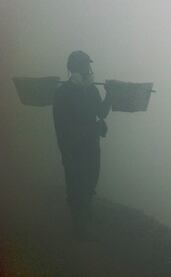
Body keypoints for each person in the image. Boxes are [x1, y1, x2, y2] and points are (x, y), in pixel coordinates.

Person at [53, 50, 112, 240]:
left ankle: (84, 210)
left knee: (91, 177)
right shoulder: (63, 93)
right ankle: (78, 222)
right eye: (86, 65)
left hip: (90, 146)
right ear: (77, 69)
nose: (88, 69)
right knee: (75, 183)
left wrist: (109, 95)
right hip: (73, 148)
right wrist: (92, 129)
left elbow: (101, 112)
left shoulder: (91, 90)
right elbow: (63, 126)